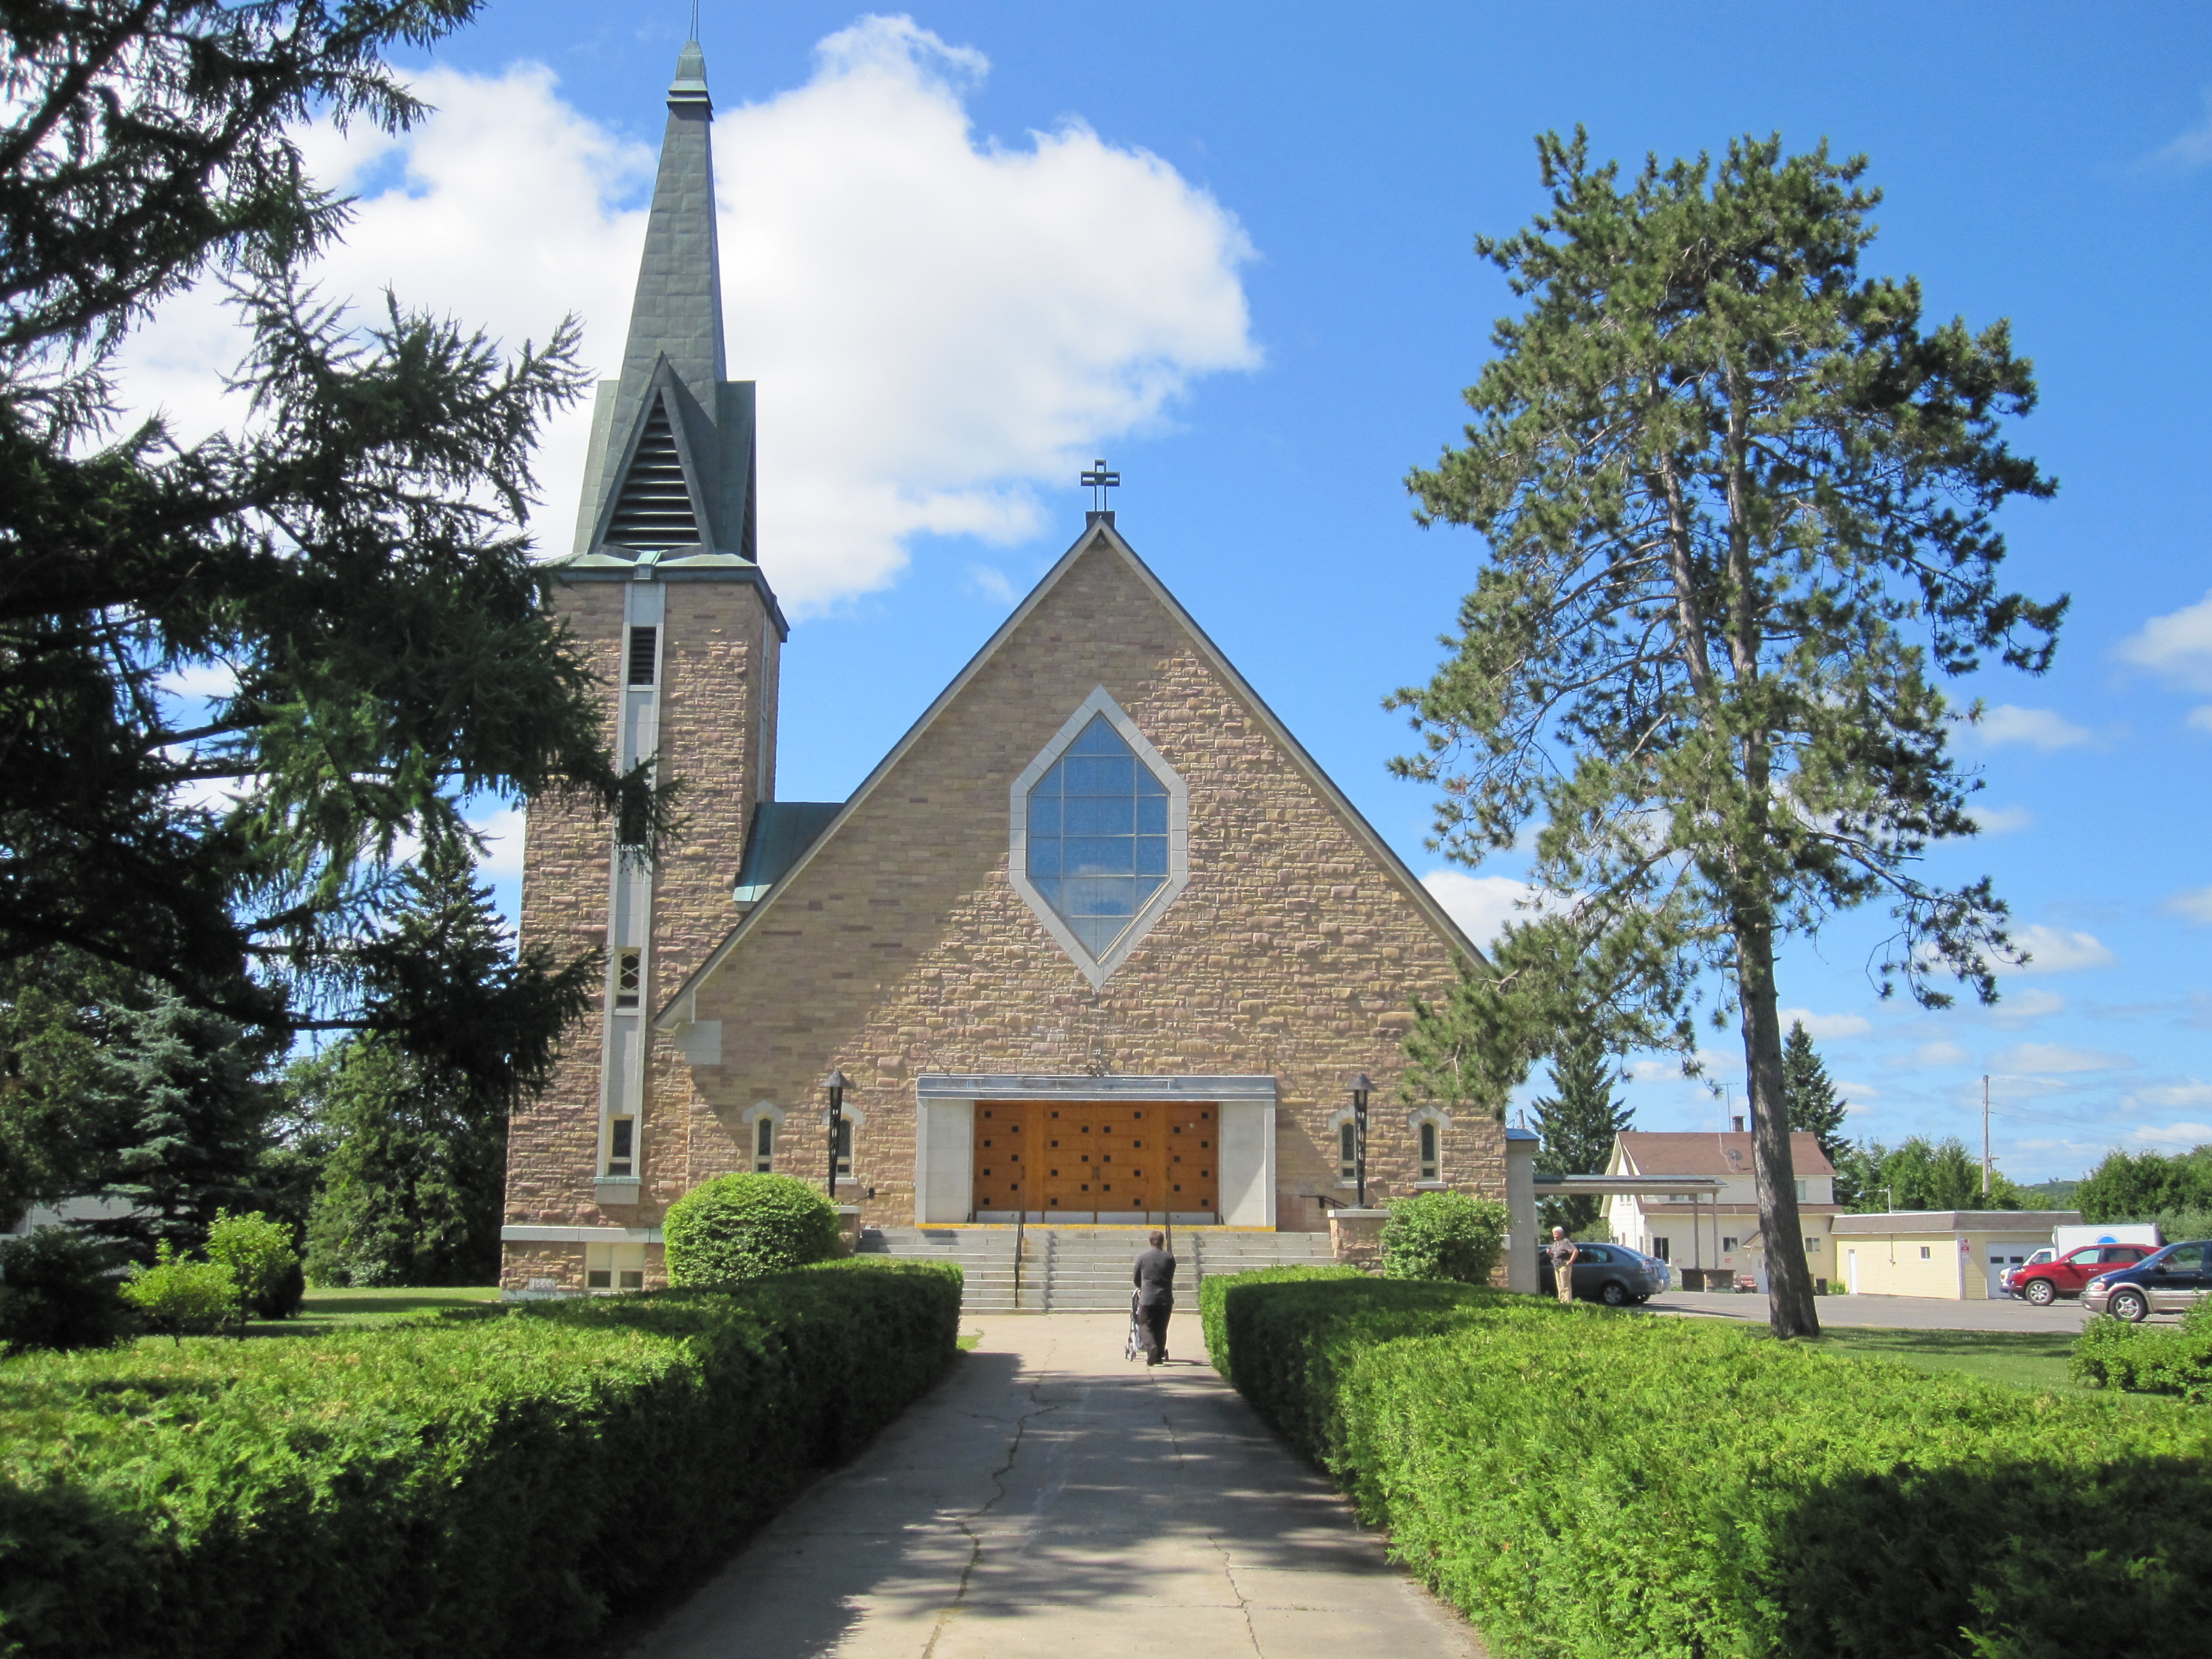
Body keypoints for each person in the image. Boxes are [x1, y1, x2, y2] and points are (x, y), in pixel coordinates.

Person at [1132, 1230, 1176, 1365]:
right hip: (1165, 1298)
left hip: (1148, 1298)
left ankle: (1151, 1346)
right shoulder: (1169, 1258)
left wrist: (1141, 1286)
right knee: (1161, 1327)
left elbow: (1136, 1278)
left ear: (1150, 1242)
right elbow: (1170, 1275)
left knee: (1145, 1324)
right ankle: (1158, 1357)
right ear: (1163, 1242)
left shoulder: (1144, 1257)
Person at [1547, 1226, 1580, 1306]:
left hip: (1564, 1266)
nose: (1555, 1235)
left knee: (1565, 1286)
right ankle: (1562, 1303)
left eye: (1556, 1233)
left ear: (1561, 1234)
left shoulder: (1565, 1242)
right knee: (1560, 1287)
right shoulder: (1555, 1244)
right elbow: (1555, 1256)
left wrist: (1571, 1261)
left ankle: (1568, 1303)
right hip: (1556, 1267)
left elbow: (1575, 1251)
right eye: (1554, 1234)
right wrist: (1550, 1253)